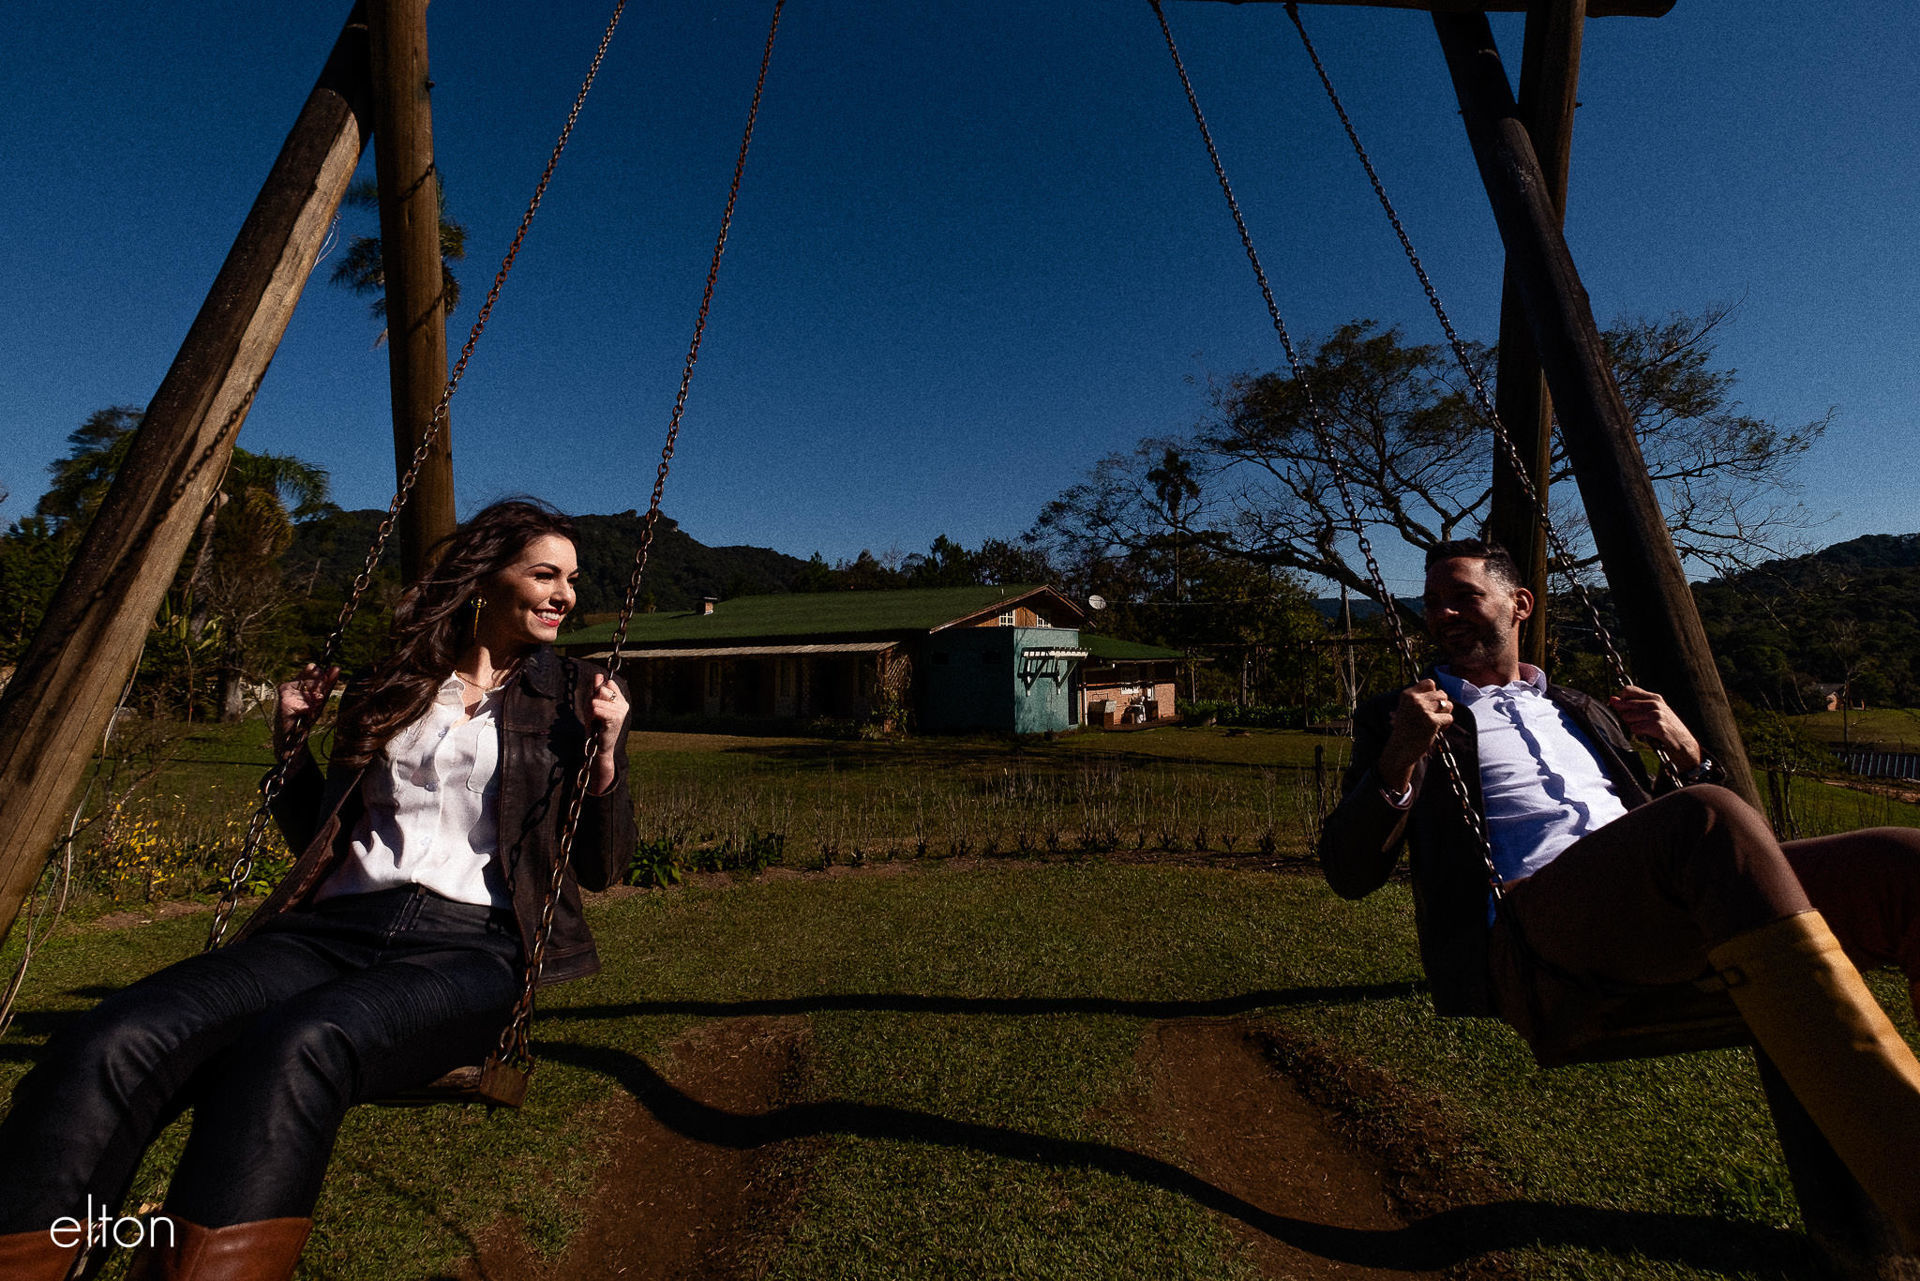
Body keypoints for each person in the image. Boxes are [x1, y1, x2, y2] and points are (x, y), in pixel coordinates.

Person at [0, 499, 636, 1281]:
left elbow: (603, 866)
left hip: (471, 949)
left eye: (571, 579)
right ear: (484, 577)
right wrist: (291, 747)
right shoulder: (395, 681)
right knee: (121, 1033)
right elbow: (322, 837)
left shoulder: (578, 694)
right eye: (546, 573)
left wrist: (605, 756)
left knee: (300, 1041)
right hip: (329, 929)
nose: (565, 594)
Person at [1319, 538, 1920, 1250]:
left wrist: (1690, 753)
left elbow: (1720, 841)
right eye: (1434, 600)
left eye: (1463, 595)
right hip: (1537, 930)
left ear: (1520, 604)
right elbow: (1347, 871)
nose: (1442, 612)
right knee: (1702, 814)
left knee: (1900, 859)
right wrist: (1400, 754)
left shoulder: (1581, 707)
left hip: (1649, 901)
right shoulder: (1405, 713)